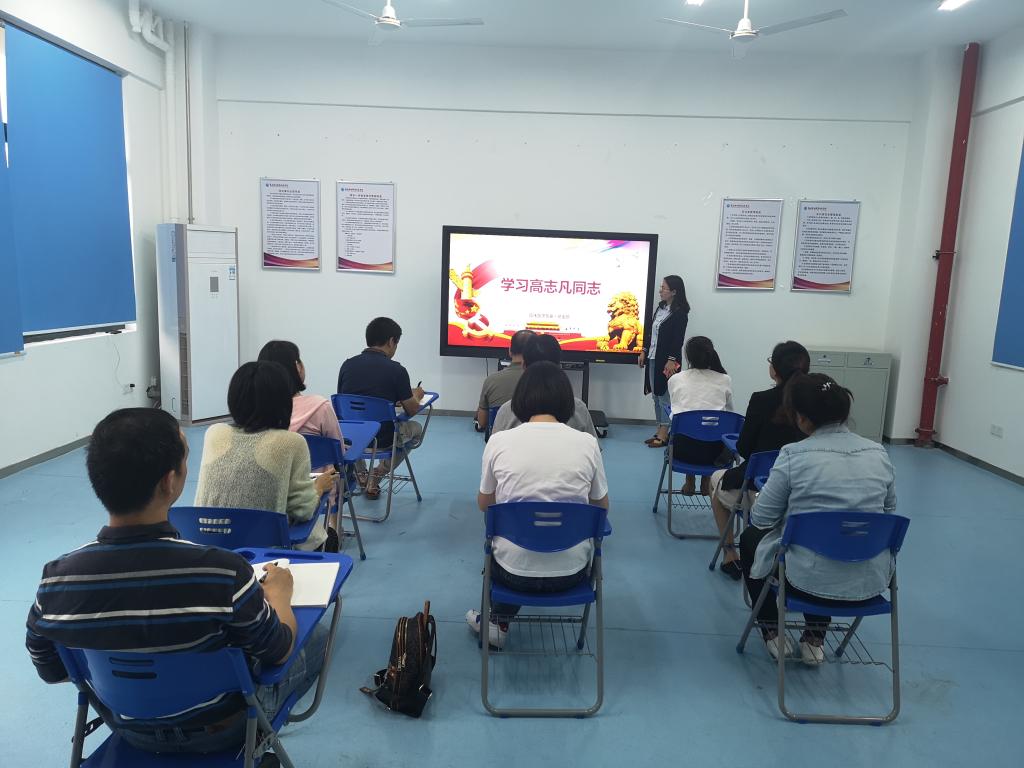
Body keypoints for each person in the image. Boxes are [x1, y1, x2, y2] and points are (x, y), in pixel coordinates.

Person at [25, 408, 327, 762]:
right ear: (170, 481)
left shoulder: (56, 581)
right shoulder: (223, 573)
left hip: (126, 726)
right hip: (223, 727)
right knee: (318, 638)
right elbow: (278, 651)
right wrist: (279, 595)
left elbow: (51, 669)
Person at [740, 373, 897, 666]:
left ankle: (772, 631)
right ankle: (815, 639)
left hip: (804, 579)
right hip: (869, 580)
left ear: (801, 418)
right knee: (832, 540)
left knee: (750, 539)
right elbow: (889, 510)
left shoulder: (793, 455)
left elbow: (761, 518)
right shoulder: (878, 453)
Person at [466, 361, 610, 648]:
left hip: (512, 572)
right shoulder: (587, 443)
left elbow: (485, 504)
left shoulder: (499, 441)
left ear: (520, 399)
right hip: (572, 574)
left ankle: (495, 622)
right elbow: (601, 506)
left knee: (494, 530)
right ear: (567, 401)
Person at [196, 361, 338, 551]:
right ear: (283, 401)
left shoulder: (214, 434)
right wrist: (318, 487)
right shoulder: (291, 442)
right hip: (263, 554)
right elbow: (303, 510)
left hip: (212, 550)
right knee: (330, 539)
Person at [708, 341, 809, 580]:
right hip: (804, 489)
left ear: (774, 370)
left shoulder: (762, 400)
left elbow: (745, 448)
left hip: (761, 487)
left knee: (716, 479)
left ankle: (730, 555)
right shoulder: (812, 402)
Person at [337, 317, 426, 500]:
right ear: (391, 341)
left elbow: (346, 403)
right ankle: (377, 474)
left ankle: (361, 476)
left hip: (353, 439)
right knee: (417, 429)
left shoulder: (347, 366)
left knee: (357, 423)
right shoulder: (397, 370)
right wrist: (416, 394)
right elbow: (412, 410)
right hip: (384, 438)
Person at [489, 334, 598, 437]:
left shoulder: (507, 411)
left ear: (524, 366)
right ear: (559, 366)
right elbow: (593, 448)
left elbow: (494, 446)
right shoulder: (579, 409)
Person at [666, 336, 734, 496]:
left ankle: (689, 480)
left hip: (681, 452)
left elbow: (676, 410)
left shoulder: (676, 379)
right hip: (715, 455)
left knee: (686, 426)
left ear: (688, 357)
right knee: (711, 428)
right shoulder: (725, 379)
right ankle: (706, 481)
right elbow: (729, 414)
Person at [639, 275, 690, 448]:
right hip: (653, 357)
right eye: (661, 287)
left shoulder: (680, 313)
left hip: (668, 361)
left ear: (674, 292)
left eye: (664, 288)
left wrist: (672, 360)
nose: (660, 290)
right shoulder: (660, 308)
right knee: (655, 395)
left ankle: (664, 433)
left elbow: (678, 340)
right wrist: (644, 350)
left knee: (664, 396)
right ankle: (659, 429)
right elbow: (651, 333)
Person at [475, 329, 534, 433]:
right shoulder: (544, 382)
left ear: (510, 351)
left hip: (499, 440)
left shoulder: (491, 380)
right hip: (533, 439)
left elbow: (482, 422)